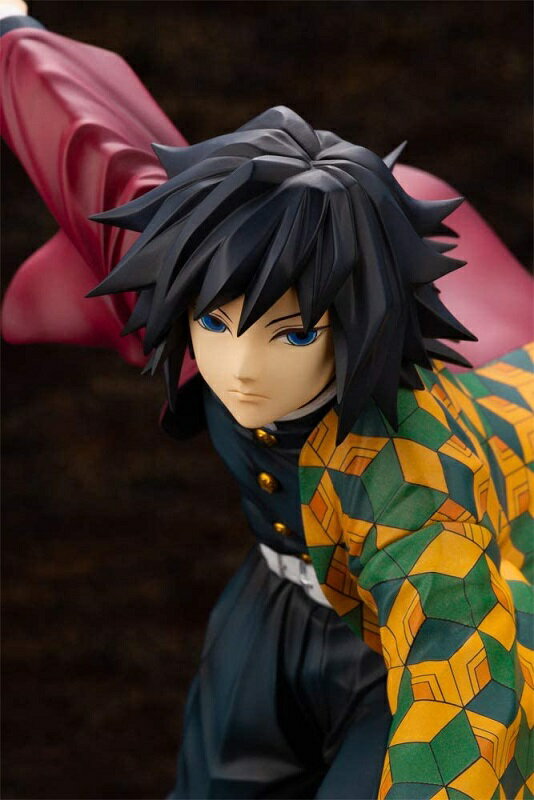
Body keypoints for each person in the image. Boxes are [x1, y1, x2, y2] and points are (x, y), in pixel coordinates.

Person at [1, 5, 532, 799]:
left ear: (353, 323)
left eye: (292, 334)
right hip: (272, 603)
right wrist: (13, 34)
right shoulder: (196, 266)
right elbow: (96, 155)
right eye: (215, 324)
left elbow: (462, 669)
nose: (239, 369)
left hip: (403, 641)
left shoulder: (409, 474)